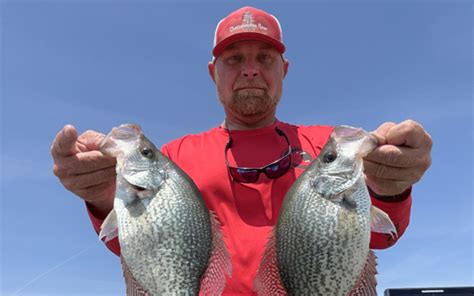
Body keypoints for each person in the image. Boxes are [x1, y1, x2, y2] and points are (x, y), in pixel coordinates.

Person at [51, 6, 432, 295]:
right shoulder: (174, 157)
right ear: (212, 72)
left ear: (284, 69)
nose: (250, 70)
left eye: (264, 58)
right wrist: (104, 200)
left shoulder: (326, 143)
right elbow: (147, 250)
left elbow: (381, 235)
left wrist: (392, 184)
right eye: (234, 60)